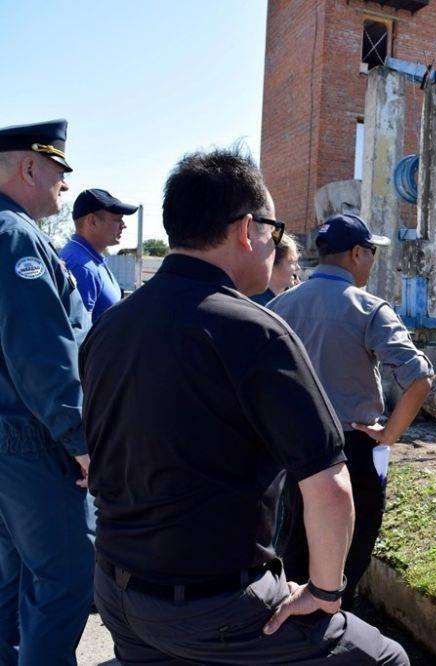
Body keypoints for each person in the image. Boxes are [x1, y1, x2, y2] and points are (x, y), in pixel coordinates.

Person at [80, 148, 407, 665]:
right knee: (386, 659)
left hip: (118, 589)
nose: (275, 247)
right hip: (214, 603)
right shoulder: (254, 332)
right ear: (246, 229)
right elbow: (329, 486)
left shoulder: (111, 328)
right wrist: (324, 593)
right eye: (274, 233)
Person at [270, 213, 433, 609]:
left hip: (293, 449)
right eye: (372, 252)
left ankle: (293, 631)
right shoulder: (369, 309)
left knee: (295, 546)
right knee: (349, 553)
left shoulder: (278, 308)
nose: (372, 260)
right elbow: (419, 378)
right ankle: (336, 630)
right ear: (357, 253)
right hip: (353, 449)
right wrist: (389, 435)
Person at [0, 120, 95, 665]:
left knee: (11, 586)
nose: (63, 186)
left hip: (11, 435)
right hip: (29, 438)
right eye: (58, 171)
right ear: (30, 166)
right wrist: (78, 438)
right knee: (63, 582)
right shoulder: (16, 236)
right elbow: (40, 350)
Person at [60, 188, 138, 321]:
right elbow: (79, 335)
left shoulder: (90, 259)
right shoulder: (81, 266)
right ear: (92, 222)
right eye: (117, 219)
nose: (123, 225)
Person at [250, 232, 300, 305]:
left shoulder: (293, 298)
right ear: (271, 262)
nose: (298, 268)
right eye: (291, 262)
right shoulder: (255, 303)